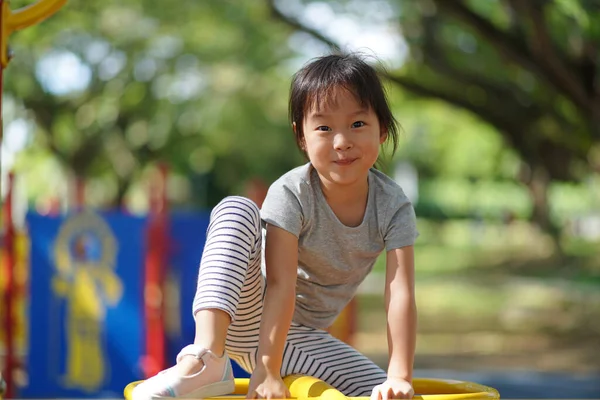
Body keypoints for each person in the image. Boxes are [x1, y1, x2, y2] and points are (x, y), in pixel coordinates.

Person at [133, 53, 418, 400]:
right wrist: (266, 370)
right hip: (248, 307)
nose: (342, 141)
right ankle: (206, 355)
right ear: (302, 137)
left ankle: (235, 361)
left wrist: (399, 375)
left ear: (382, 129)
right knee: (236, 207)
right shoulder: (292, 192)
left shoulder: (393, 204)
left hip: (303, 340)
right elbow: (281, 285)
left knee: (384, 393)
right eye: (324, 128)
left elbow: (400, 292)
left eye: (357, 124)